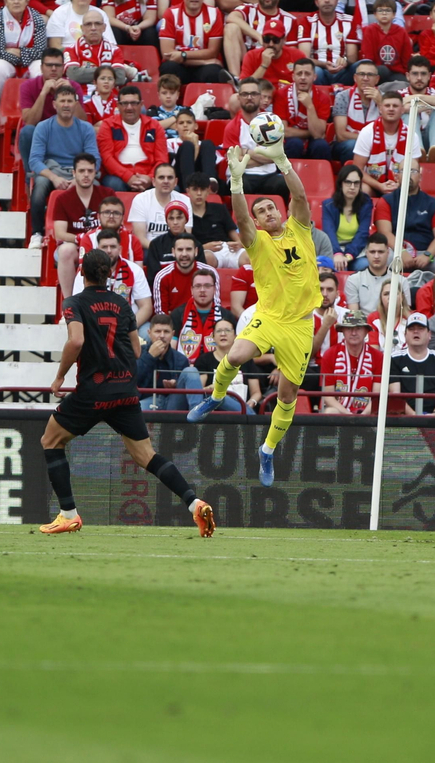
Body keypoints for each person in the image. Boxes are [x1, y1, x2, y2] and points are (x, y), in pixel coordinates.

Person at [41, 247, 216, 534]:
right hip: (124, 389)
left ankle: (68, 513)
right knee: (146, 455)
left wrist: (60, 376)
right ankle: (194, 503)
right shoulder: (122, 304)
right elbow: (136, 349)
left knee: (50, 440)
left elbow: (75, 341)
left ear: (82, 273)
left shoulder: (74, 302)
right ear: (109, 274)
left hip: (93, 390)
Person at [187, 138, 315, 487]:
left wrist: (283, 160)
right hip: (270, 317)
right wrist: (237, 181)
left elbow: (300, 199)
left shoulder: (300, 230)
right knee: (235, 355)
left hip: (301, 325)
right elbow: (240, 217)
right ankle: (214, 398)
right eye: (261, 212)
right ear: (257, 223)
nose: (268, 213)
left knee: (288, 396)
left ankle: (268, 450)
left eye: (271, 208)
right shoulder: (256, 244)